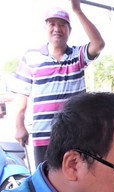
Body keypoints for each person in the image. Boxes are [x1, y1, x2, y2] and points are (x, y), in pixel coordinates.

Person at [12, 0, 105, 168]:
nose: (57, 29)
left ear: (69, 30)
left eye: (62, 25)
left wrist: (77, 11)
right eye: (52, 24)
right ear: (45, 28)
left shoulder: (78, 56)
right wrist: (19, 126)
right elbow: (21, 94)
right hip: (44, 135)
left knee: (77, 181)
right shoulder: (31, 57)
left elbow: (99, 44)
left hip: (76, 134)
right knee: (47, 183)